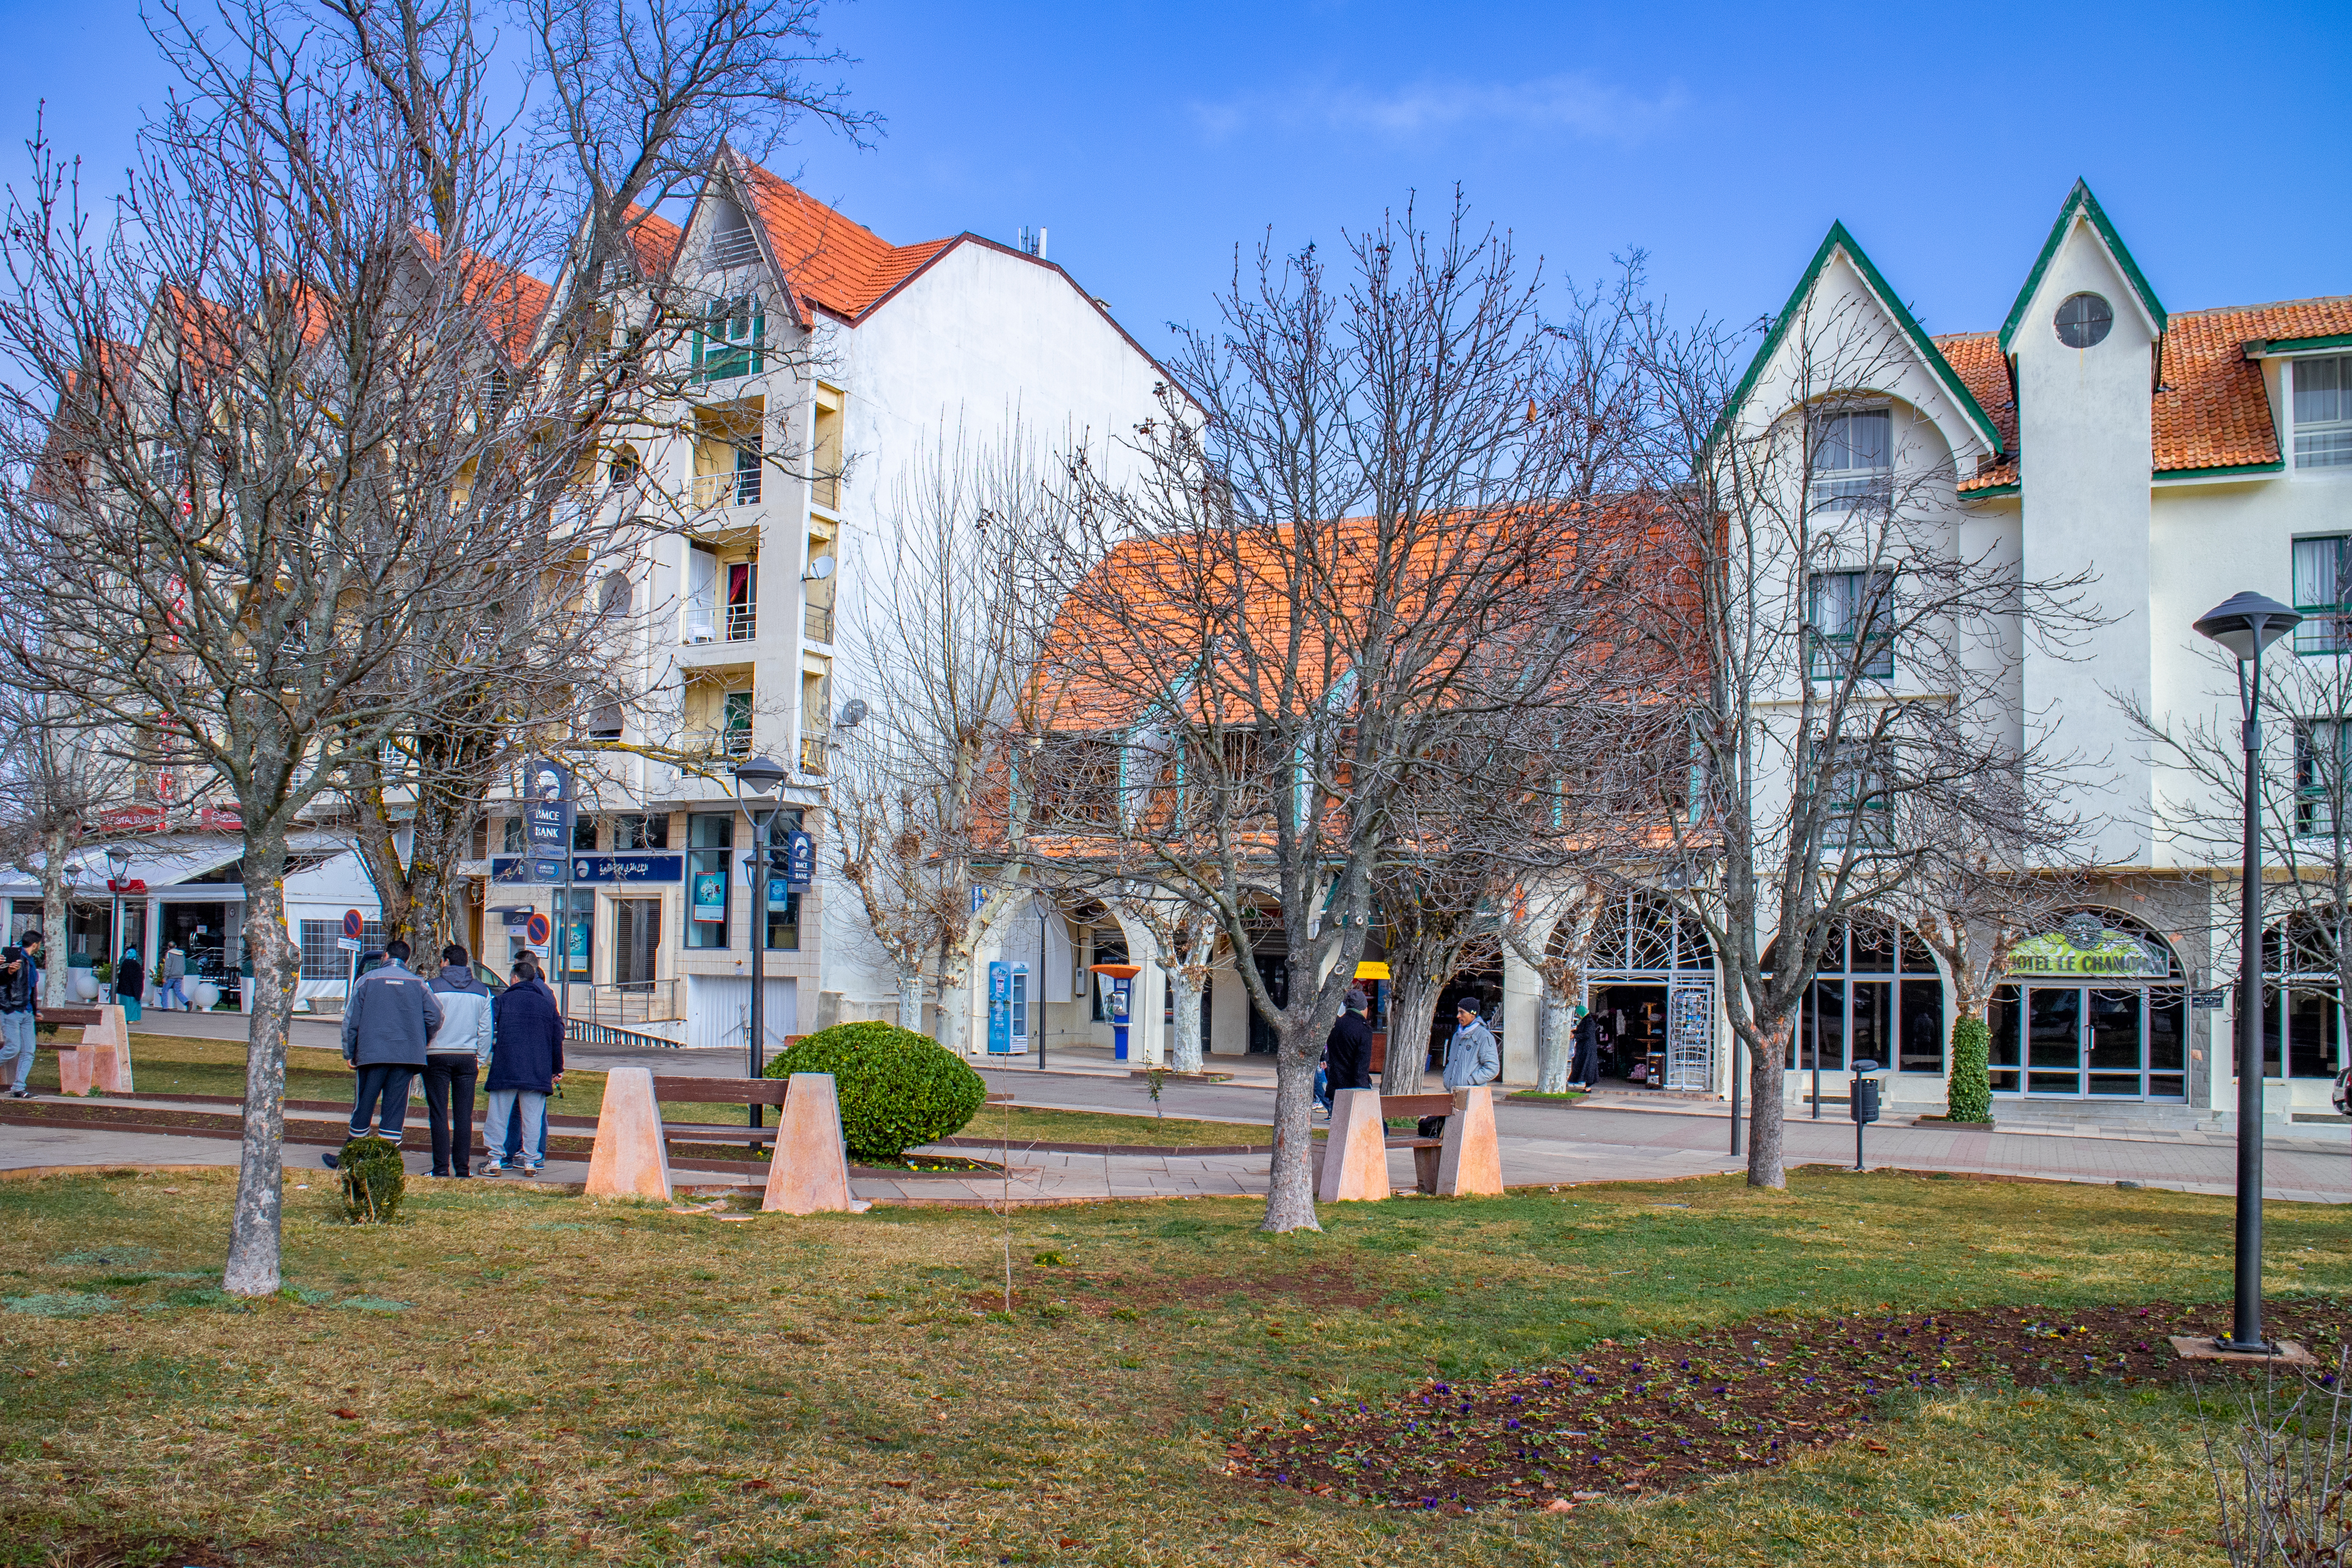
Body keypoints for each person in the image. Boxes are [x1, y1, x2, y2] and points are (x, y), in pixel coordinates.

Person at [327, 938, 444, 1167]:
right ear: (407, 960)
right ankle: (385, 1161)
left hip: (371, 1053)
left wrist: (349, 1051)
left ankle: (349, 1158)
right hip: (406, 1055)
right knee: (395, 1107)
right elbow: (436, 1016)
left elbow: (351, 1021)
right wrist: (422, 1040)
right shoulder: (419, 984)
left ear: (386, 956)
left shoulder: (366, 980)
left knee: (364, 1104)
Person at [484, 957, 562, 1177]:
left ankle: (495, 1160)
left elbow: (490, 1030)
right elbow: (557, 1038)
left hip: (506, 1066)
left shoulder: (502, 1001)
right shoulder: (547, 1004)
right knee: (533, 1118)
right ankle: (530, 1161)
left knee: (499, 1115)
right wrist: (557, 1068)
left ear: (515, 978)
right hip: (537, 1069)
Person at [423, 943, 495, 1179]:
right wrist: (480, 1059)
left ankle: (441, 1168)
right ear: (467, 964)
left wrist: (426, 1047)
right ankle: (463, 1169)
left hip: (437, 1055)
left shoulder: (431, 987)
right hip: (467, 1058)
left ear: (445, 962)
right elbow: (486, 1030)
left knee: (439, 1113)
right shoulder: (482, 991)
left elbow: (424, 1021)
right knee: (464, 1114)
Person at [1419, 999, 1502, 1139]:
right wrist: (1448, 1077)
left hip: (1471, 1097)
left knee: (1468, 1138)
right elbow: (1452, 1061)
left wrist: (1470, 1080)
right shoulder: (1457, 1035)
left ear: (1473, 1014)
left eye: (1462, 1012)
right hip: (1453, 1095)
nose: (1458, 1016)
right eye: (1458, 1012)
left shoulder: (1484, 1037)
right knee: (1453, 1138)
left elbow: (1493, 1068)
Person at [0, 935, 36, 1099]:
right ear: (36, 944)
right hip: (12, 1010)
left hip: (27, 1012)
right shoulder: (14, 958)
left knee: (29, 1051)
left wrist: (35, 1010)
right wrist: (7, 1008)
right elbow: (2, 984)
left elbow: (31, 987)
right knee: (12, 1048)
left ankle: (18, 1088)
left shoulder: (30, 962)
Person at [1325, 988, 1375, 1099]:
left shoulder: (1336, 1025)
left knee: (1336, 1116)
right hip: (1353, 1089)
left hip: (1335, 1086)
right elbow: (1361, 1067)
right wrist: (1363, 1090)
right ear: (1364, 1008)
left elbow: (1329, 1056)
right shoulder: (1363, 1030)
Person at [1570, 1006, 1604, 1091]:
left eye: (1578, 1013)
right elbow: (1582, 1032)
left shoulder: (1589, 1022)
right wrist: (1574, 1033)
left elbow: (1588, 1034)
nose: (1577, 1015)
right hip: (1584, 1047)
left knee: (1588, 1065)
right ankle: (1585, 1085)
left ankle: (1588, 1086)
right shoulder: (1585, 1021)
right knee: (1584, 1064)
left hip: (1588, 1048)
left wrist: (1575, 1036)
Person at [113, 946, 143, 1020]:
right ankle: (132, 1019)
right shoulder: (135, 965)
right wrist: (138, 992)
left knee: (125, 1005)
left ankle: (125, 1018)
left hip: (124, 990)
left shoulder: (124, 964)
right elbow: (137, 980)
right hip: (132, 991)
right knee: (132, 1006)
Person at [158, 942, 189, 1011]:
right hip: (180, 976)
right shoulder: (182, 954)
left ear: (168, 947)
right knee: (178, 991)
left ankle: (165, 1007)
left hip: (171, 976)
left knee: (165, 991)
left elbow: (168, 966)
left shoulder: (169, 954)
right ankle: (187, 1002)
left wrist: (165, 977)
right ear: (176, 946)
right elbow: (183, 965)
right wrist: (182, 974)